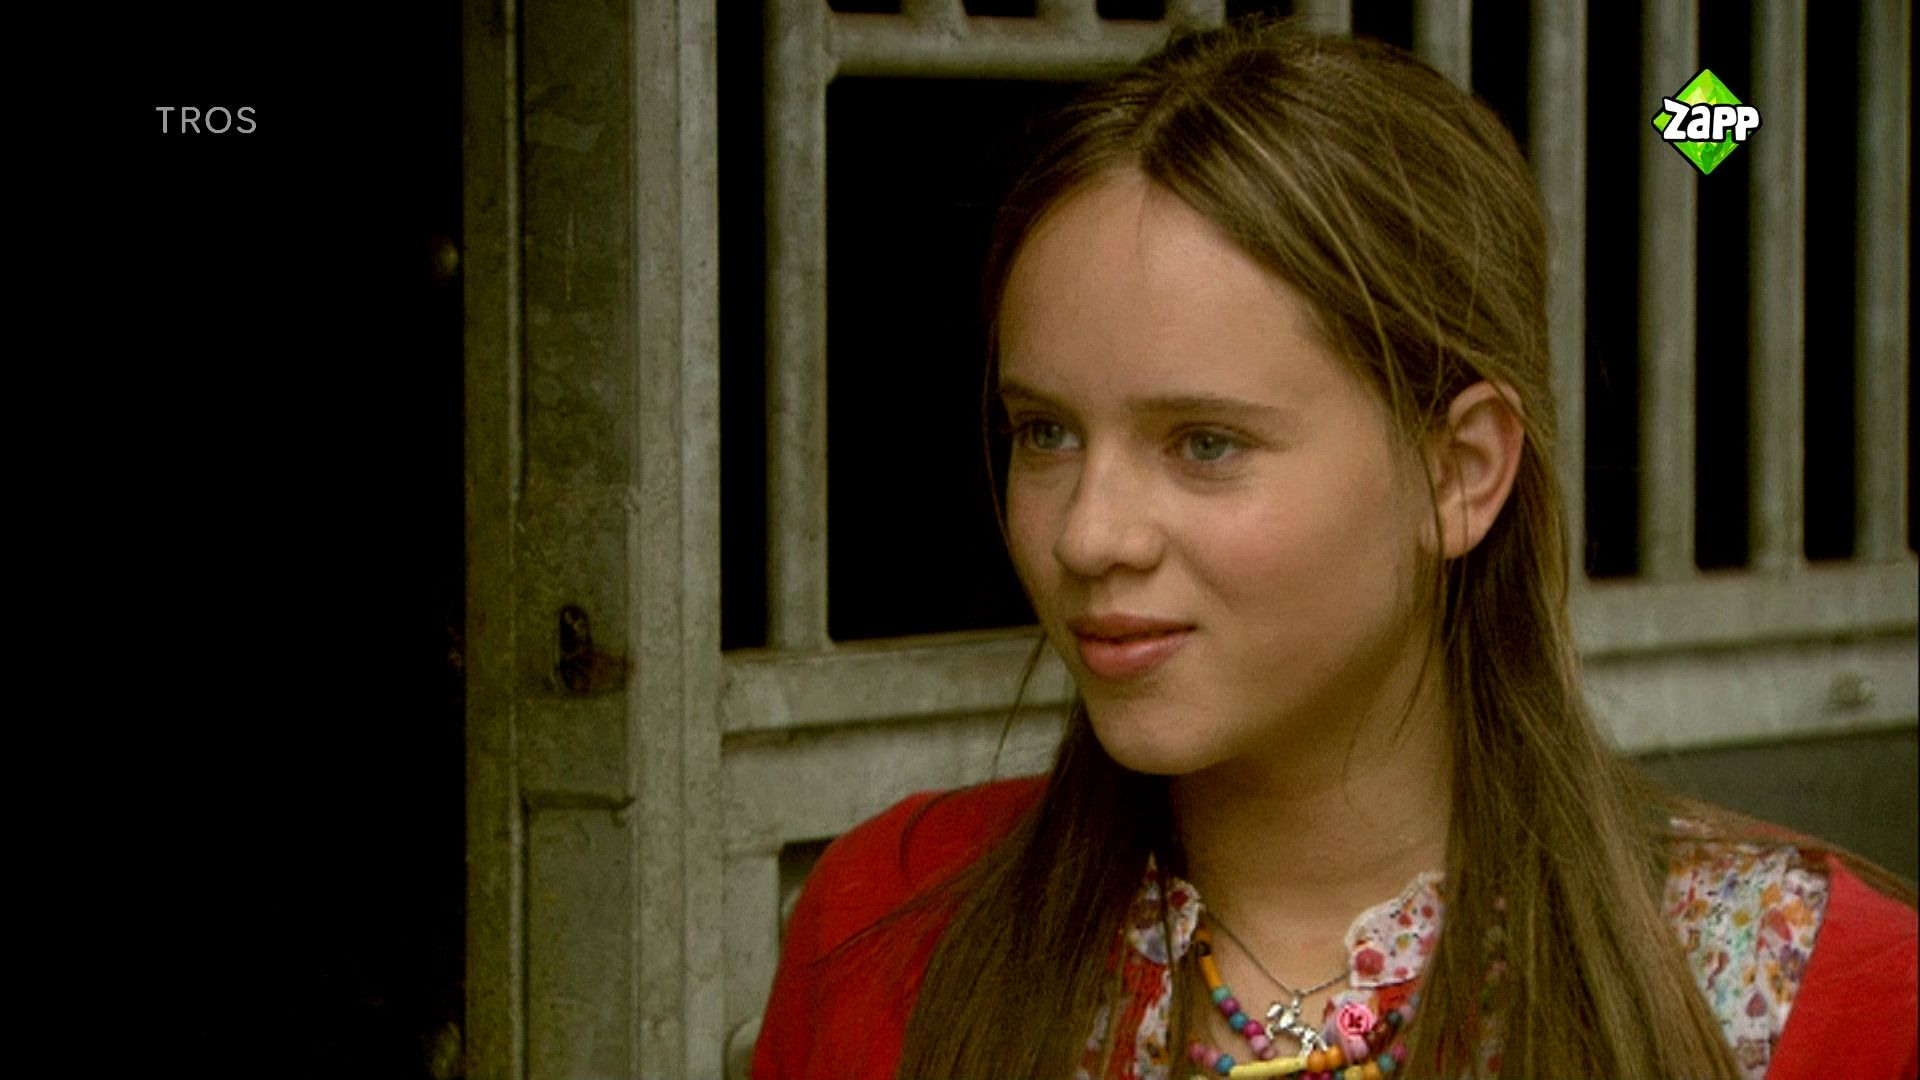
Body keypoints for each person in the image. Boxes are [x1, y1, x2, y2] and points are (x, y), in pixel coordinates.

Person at [751, 19, 1919, 1080]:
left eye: (1205, 443)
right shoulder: (890, 930)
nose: (1086, 533)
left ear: (1461, 473)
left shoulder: (1809, 993)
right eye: (1044, 432)